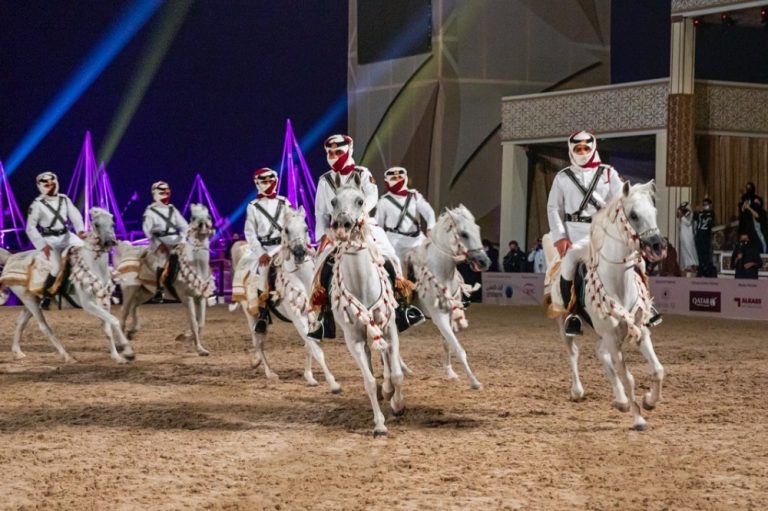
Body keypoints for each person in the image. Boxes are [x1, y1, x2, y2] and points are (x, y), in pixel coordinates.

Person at [546, 130, 661, 336]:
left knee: (638, 260)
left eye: (586, 148)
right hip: (576, 234)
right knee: (570, 260)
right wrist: (560, 236)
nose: (583, 152)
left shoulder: (608, 173)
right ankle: (572, 313)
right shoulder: (562, 177)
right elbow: (554, 208)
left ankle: (646, 305)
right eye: (578, 149)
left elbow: (622, 199)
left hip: (605, 231)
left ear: (593, 149)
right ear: (572, 150)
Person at [311, 134, 424, 338]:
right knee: (319, 266)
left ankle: (401, 307)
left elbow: (372, 195)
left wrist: (361, 214)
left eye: (338, 151)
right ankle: (325, 315)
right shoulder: (324, 180)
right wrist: (323, 235)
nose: (334, 155)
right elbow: (320, 211)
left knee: (390, 255)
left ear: (348, 150)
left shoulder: (361, 173)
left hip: (363, 225)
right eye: (330, 152)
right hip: (336, 230)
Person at [239, 168, 290, 333]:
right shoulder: (253, 206)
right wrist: (261, 253)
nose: (268, 184)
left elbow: (293, 223)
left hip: (284, 245)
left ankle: (321, 305)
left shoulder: (284, 202)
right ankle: (263, 313)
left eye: (270, 180)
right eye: (264, 181)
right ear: (257, 183)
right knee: (260, 274)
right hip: (265, 248)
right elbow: (249, 232)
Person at [25, 171, 86, 308]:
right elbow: (30, 228)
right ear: (40, 186)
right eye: (47, 185)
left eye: (52, 183)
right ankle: (46, 297)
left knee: (86, 251)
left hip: (67, 235)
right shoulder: (37, 204)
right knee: (56, 266)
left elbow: (75, 215)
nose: (50, 186)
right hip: (50, 239)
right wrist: (42, 245)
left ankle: (79, 287)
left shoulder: (64, 199)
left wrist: (80, 231)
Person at [376, 166, 436, 277]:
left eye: (400, 177)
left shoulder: (415, 196)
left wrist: (430, 228)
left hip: (417, 240)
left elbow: (429, 212)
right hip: (395, 242)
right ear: (387, 181)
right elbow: (378, 226)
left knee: (432, 262)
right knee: (398, 273)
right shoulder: (383, 201)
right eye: (394, 178)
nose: (398, 180)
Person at [142, 181, 188, 301]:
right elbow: (147, 230)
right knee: (161, 261)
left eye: (168, 193)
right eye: (163, 193)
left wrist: (182, 240)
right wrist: (158, 244)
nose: (166, 195)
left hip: (176, 240)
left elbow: (184, 226)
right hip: (159, 241)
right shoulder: (150, 212)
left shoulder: (172, 209)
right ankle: (160, 290)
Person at [738, 182, 768, 253]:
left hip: (760, 236)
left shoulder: (762, 212)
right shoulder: (747, 214)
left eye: (757, 202)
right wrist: (744, 206)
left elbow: (758, 216)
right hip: (750, 236)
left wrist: (749, 208)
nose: (756, 203)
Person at [694, 197, 716, 277]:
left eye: (706, 204)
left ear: (710, 205)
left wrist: (702, 211)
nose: (704, 206)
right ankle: (700, 268)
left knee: (706, 254)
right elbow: (695, 218)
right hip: (699, 235)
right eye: (703, 204)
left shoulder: (711, 213)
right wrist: (696, 211)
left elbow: (709, 220)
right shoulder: (700, 212)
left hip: (706, 236)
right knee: (699, 253)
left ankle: (706, 270)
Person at [676, 202, 698, 273]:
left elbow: (688, 223)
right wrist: (679, 216)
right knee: (684, 251)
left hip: (688, 236)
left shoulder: (690, 214)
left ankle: (692, 265)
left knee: (690, 250)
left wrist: (682, 217)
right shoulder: (683, 216)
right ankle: (687, 266)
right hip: (683, 236)